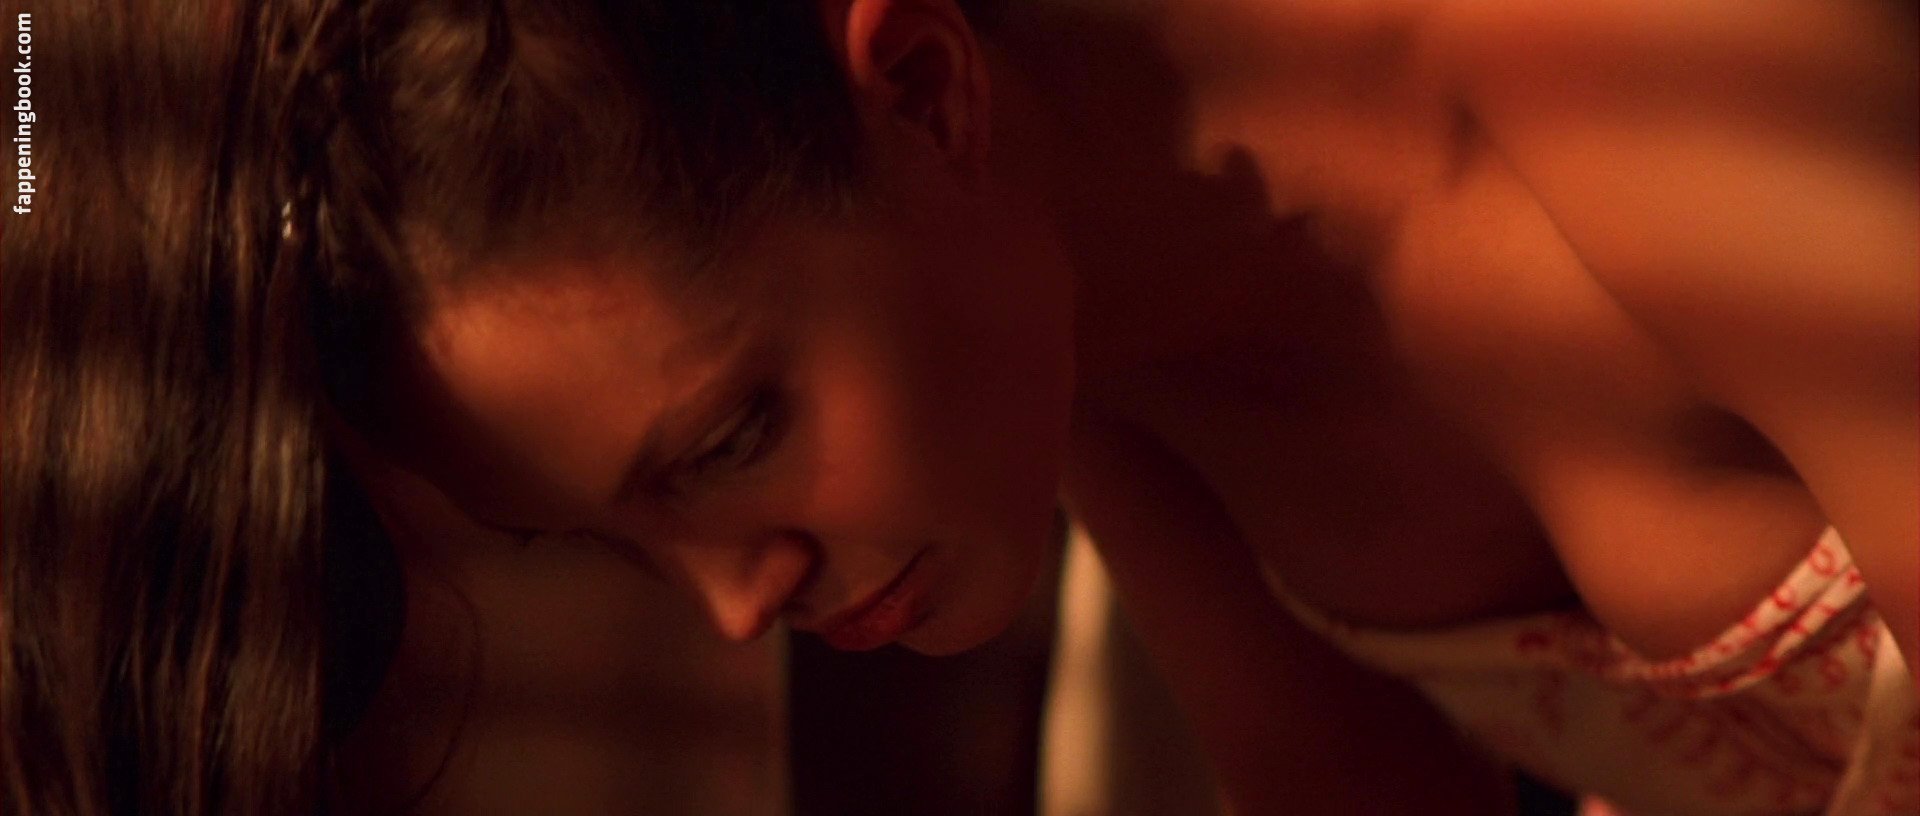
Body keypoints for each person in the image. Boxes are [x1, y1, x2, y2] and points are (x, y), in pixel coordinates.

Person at [3, 0, 1913, 813]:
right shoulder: (1096, 379)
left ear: (921, 85)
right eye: (614, 539)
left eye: (728, 441)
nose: (736, 607)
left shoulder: (1638, 65)